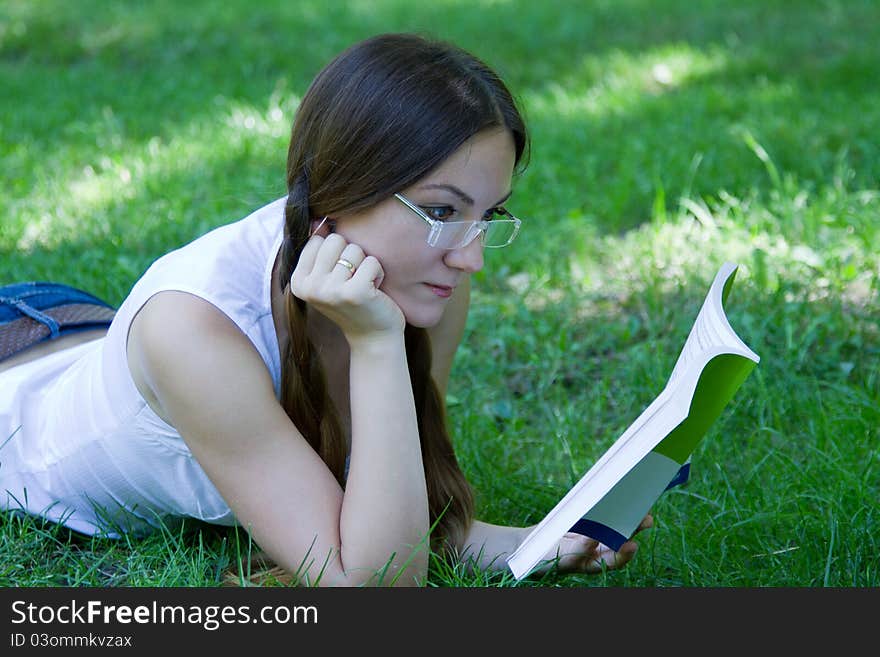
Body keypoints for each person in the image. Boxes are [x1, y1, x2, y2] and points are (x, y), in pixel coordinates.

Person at [0, 32, 650, 587]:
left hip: (81, 329)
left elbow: (401, 522)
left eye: (489, 215)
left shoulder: (427, 279)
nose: (471, 257)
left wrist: (538, 541)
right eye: (444, 211)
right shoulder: (194, 332)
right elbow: (374, 587)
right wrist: (374, 345)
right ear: (338, 194)